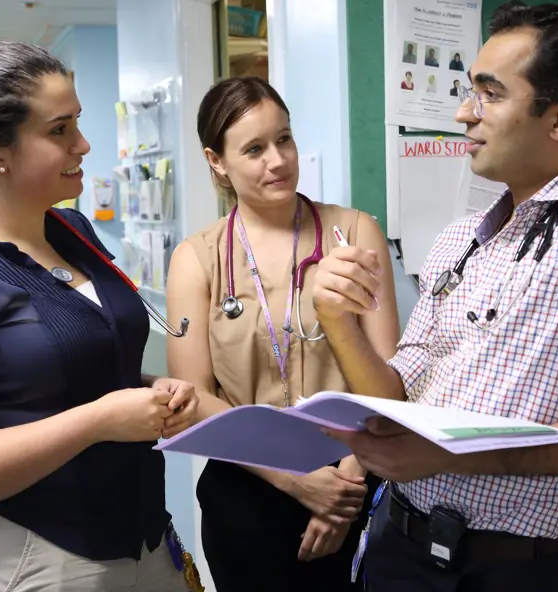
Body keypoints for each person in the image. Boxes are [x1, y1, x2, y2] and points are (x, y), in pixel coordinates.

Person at [312, 3, 558, 591]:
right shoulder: (463, 238)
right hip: (399, 538)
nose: (465, 112)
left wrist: (449, 457)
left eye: (490, 94)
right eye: (471, 91)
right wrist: (336, 318)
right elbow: (396, 395)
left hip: (497, 566)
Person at [0, 39, 200, 592]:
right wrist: (99, 421)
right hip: (27, 555)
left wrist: (150, 390)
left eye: (78, 122)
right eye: (59, 131)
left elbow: (60, 377)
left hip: (140, 538)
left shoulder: (74, 233)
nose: (83, 144)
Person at [164, 76, 402, 591]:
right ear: (217, 161)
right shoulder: (197, 258)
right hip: (246, 488)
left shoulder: (354, 233)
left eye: (284, 139)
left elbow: (389, 380)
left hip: (353, 481)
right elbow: (193, 399)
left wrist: (344, 487)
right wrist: (295, 481)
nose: (278, 160)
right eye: (254, 149)